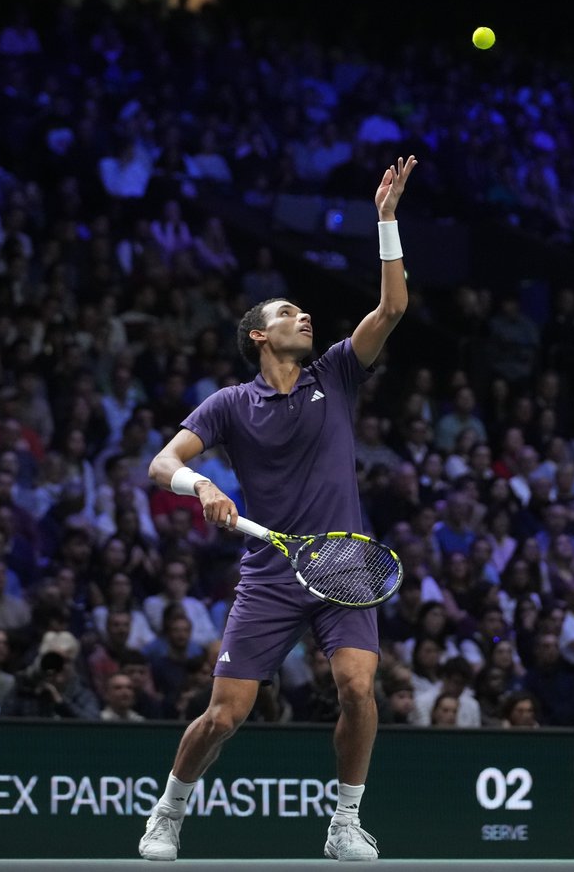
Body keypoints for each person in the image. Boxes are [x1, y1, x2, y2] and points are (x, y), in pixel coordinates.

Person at [138, 157, 417, 862]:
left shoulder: (338, 374)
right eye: (289, 314)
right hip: (270, 569)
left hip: (346, 561)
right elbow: (161, 463)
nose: (305, 317)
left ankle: (344, 821)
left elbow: (392, 309)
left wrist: (386, 221)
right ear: (261, 336)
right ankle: (170, 809)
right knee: (226, 714)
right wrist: (199, 485)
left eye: (303, 312)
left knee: (358, 684)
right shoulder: (230, 404)